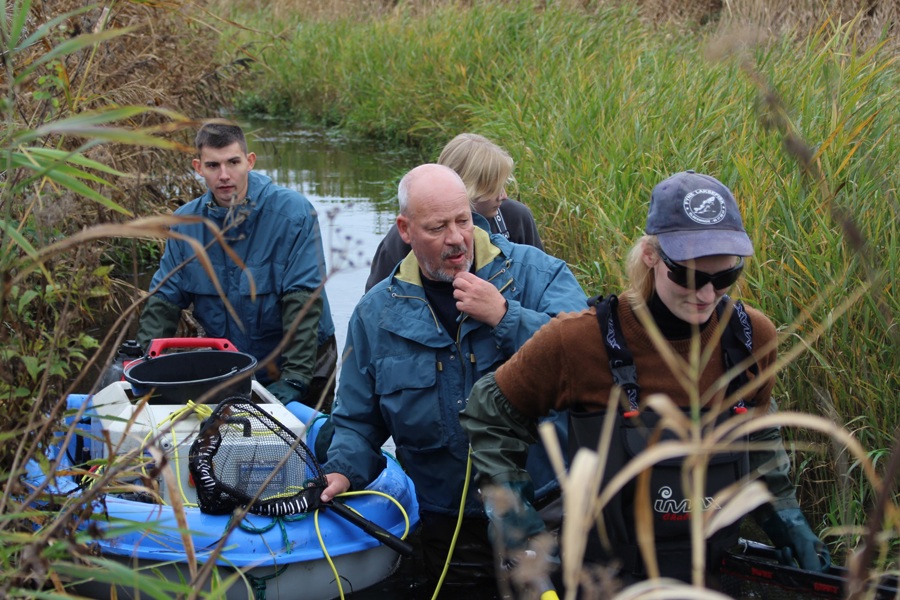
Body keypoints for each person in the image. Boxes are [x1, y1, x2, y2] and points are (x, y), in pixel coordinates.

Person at [460, 171, 830, 589]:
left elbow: (760, 438)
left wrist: (784, 516)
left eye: (724, 278)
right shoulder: (579, 340)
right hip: (605, 582)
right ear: (651, 255)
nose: (707, 295)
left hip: (714, 580)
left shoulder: (751, 339)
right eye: (689, 277)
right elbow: (489, 411)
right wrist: (513, 516)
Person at [318, 163, 586, 590]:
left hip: (545, 510)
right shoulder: (375, 313)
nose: (457, 237)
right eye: (437, 227)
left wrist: (505, 316)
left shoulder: (537, 274)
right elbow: (356, 420)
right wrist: (342, 470)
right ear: (405, 230)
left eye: (462, 220)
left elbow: (586, 360)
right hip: (447, 526)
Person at [136, 122, 338, 411]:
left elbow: (303, 301)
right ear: (198, 167)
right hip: (232, 362)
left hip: (305, 360)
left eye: (233, 162)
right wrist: (146, 367)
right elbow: (163, 302)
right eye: (213, 165)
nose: (224, 175)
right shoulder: (185, 226)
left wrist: (295, 378)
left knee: (302, 446)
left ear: (250, 161)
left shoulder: (294, 214)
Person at [365, 133, 544, 292]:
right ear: (468, 188)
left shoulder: (515, 217)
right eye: (493, 188)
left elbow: (541, 282)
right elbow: (374, 306)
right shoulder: (405, 237)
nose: (503, 195)